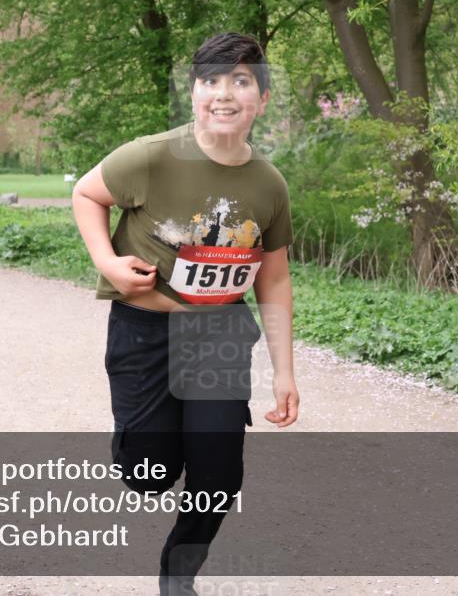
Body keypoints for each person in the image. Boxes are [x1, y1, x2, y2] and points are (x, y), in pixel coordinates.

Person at [72, 32, 300, 594]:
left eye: (241, 81)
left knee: (219, 476)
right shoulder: (150, 156)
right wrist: (108, 261)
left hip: (218, 333)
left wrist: (286, 372)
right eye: (211, 81)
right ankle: (137, 443)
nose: (224, 94)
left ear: (262, 99)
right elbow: (86, 193)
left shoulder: (268, 183)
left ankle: (178, 576)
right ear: (194, 92)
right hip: (144, 331)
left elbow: (273, 277)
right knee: (147, 474)